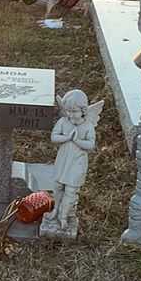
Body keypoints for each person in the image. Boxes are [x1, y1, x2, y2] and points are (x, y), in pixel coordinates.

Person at [41, 89, 104, 237]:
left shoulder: (88, 126)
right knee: (57, 186)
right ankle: (55, 209)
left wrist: (77, 140)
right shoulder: (63, 122)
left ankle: (64, 216)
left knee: (70, 190)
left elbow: (91, 145)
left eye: (74, 111)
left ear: (83, 110)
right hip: (63, 160)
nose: (70, 114)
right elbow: (54, 137)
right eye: (67, 111)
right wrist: (67, 138)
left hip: (77, 163)